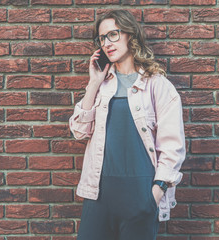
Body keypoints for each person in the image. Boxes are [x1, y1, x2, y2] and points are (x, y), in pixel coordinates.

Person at [69, 9, 186, 240]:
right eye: (102, 38)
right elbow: (79, 132)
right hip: (99, 195)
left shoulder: (157, 85)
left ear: (130, 35)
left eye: (113, 34)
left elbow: (172, 147)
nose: (106, 43)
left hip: (140, 194)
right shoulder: (102, 86)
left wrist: (154, 193)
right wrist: (93, 84)